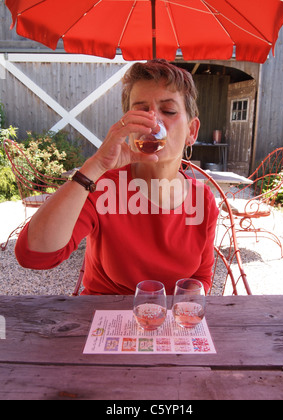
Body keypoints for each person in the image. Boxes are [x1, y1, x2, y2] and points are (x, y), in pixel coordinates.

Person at [15, 59, 219, 295]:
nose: (153, 124)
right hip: (103, 319)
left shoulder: (202, 199)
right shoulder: (102, 185)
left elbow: (200, 276)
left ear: (191, 131)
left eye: (169, 111)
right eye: (141, 112)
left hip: (168, 321)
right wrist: (95, 166)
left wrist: (185, 308)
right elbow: (34, 255)